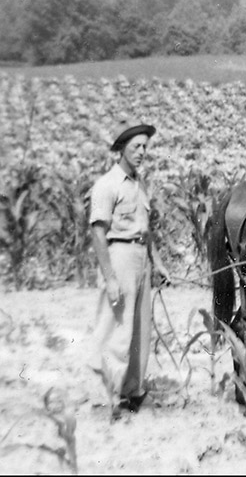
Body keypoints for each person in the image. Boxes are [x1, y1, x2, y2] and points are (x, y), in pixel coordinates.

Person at [88, 119, 171, 422]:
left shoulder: (140, 184)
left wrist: (158, 263)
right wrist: (110, 277)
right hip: (119, 256)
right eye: (136, 146)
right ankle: (106, 400)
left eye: (145, 147)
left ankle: (133, 393)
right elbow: (98, 234)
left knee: (140, 331)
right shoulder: (107, 185)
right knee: (116, 330)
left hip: (141, 258)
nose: (142, 152)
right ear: (121, 149)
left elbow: (146, 231)